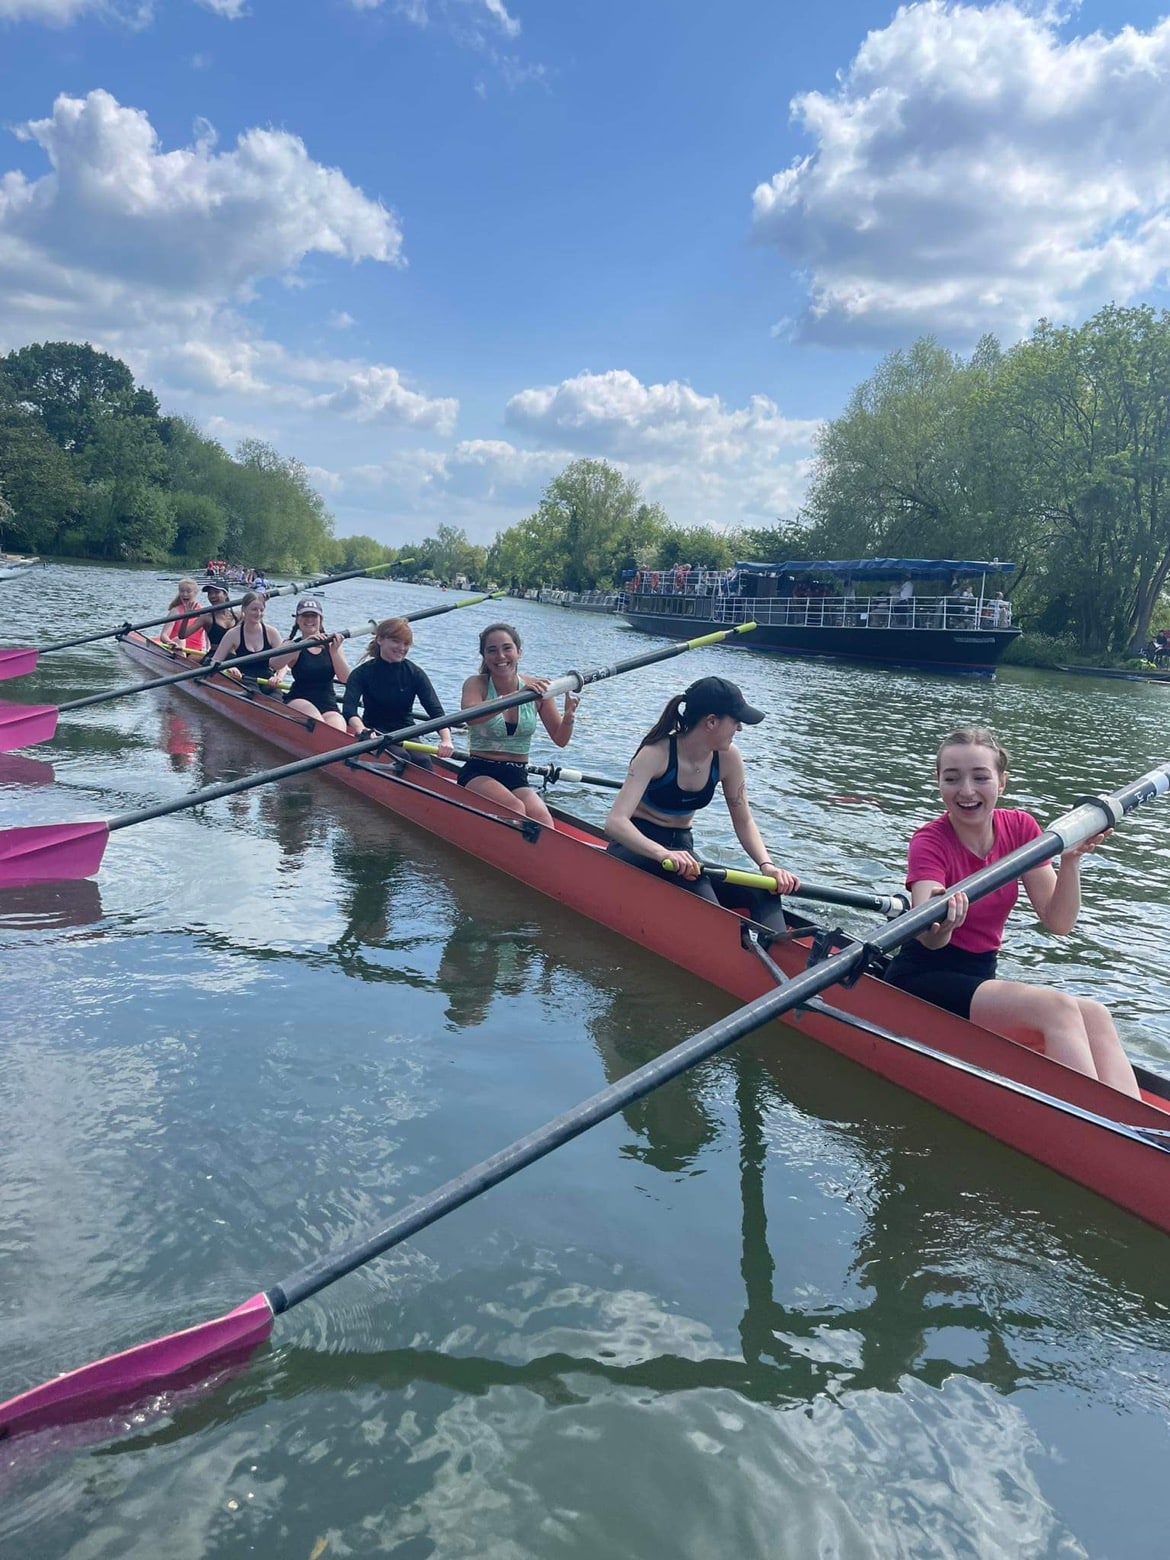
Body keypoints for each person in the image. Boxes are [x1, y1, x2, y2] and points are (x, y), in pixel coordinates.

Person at [883, 726, 1140, 1097]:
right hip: (922, 977)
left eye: (980, 777)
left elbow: (1059, 922)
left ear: (1001, 782)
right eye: (951, 778)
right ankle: (1100, 1124)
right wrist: (942, 926)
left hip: (979, 975)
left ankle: (1140, 1128)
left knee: (1096, 1015)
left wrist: (1070, 861)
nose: (966, 791)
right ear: (938, 783)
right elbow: (927, 932)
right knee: (1057, 1008)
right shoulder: (929, 840)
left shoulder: (1020, 828)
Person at [604, 675, 800, 933]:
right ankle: (731, 952)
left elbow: (744, 821)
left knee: (763, 891)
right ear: (711, 722)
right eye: (736, 722)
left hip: (684, 851)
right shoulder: (655, 754)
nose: (739, 729)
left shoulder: (729, 758)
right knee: (701, 888)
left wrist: (768, 866)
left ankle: (779, 949)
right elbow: (615, 823)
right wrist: (662, 853)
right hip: (637, 849)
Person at [458, 621, 578, 825]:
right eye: (492, 651)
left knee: (543, 820)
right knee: (515, 808)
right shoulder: (475, 684)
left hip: (517, 774)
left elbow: (560, 740)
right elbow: (470, 716)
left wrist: (568, 718)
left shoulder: (539, 689)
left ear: (519, 652)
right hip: (479, 770)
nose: (501, 656)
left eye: (507, 648)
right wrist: (517, 695)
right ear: (485, 657)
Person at [342, 616, 454, 764]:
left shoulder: (415, 673)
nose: (402, 648)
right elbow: (349, 710)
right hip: (375, 731)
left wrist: (446, 740)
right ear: (380, 639)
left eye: (406, 643)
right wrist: (362, 730)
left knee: (423, 760)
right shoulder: (361, 673)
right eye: (395, 641)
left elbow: (436, 712)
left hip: (407, 731)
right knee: (401, 757)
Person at [270, 597, 349, 730]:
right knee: (319, 725)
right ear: (297, 619)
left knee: (338, 730)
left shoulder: (332, 645)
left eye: (313, 616)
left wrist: (334, 652)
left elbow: (345, 679)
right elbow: (274, 664)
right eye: (305, 616)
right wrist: (302, 645)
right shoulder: (292, 645)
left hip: (328, 703)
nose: (309, 620)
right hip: (299, 699)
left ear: (320, 619)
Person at [210, 591, 285, 689]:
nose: (258, 614)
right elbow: (215, 660)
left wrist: (279, 677)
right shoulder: (233, 634)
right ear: (244, 609)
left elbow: (283, 664)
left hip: (267, 681)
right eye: (254, 609)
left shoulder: (272, 633)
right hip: (243, 679)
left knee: (275, 698)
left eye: (261, 610)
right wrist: (229, 668)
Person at [160, 578, 208, 655]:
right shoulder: (175, 611)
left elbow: (207, 636)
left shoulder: (202, 612)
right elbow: (164, 635)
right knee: (181, 640)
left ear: (195, 593)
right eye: (182, 591)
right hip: (176, 647)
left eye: (188, 591)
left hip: (195, 651)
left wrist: (208, 649)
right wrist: (170, 642)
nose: (185, 594)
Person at [200, 579, 239, 656]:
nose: (212, 596)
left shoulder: (238, 615)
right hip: (214, 655)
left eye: (216, 592)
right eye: (210, 593)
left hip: (234, 656)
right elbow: (183, 635)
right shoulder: (206, 617)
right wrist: (186, 617)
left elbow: (257, 620)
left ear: (225, 594)